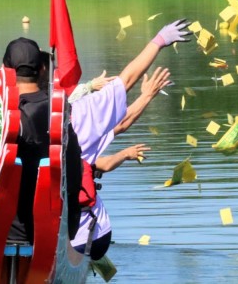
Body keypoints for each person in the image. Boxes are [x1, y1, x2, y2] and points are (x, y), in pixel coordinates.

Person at [68, 19, 188, 259]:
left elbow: (105, 158)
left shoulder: (18, 130)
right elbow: (126, 86)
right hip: (91, 235)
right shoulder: (77, 126)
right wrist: (159, 42)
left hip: (53, 235)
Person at [1, 37, 83, 245]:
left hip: (7, 230)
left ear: (6, 70)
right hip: (52, 227)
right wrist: (71, 226)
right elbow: (74, 174)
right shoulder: (60, 113)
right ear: (41, 68)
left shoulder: (4, 114)